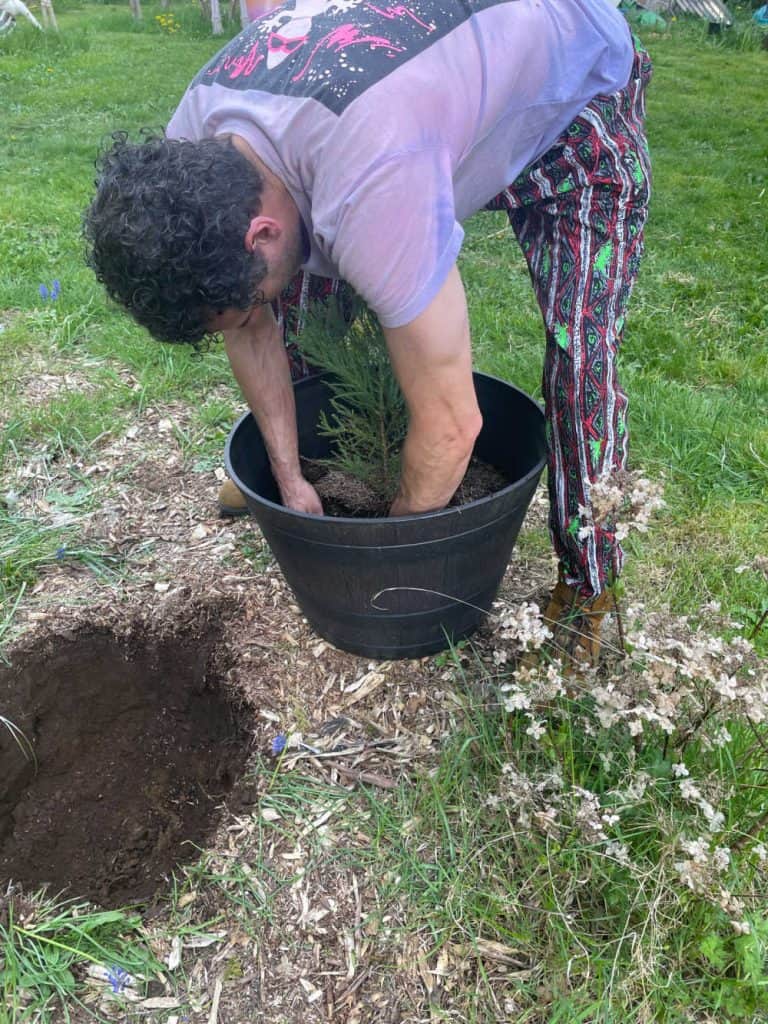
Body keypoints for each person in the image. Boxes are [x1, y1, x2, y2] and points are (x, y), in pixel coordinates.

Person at [84, 0, 652, 665]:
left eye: (243, 308)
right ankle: (315, 470)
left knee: (579, 356)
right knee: (299, 301)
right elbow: (251, 328)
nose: (248, 320)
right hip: (419, 107)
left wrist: (392, 552)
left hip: (576, 99)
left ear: (260, 231)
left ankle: (590, 590)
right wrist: (288, 477)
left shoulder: (370, 178)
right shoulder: (193, 142)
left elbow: (451, 422)